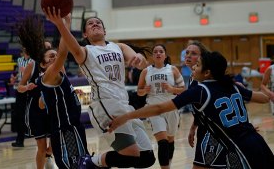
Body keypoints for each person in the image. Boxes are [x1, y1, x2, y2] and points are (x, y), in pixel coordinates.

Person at [109, 51, 274, 169]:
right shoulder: (233, 86)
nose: (193, 67)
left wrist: (127, 116)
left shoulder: (201, 90)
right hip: (257, 142)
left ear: (207, 72)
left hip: (239, 148)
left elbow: (159, 108)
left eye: (198, 65)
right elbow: (264, 98)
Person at [51, 13, 156, 168]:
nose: (95, 24)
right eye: (90, 23)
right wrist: (63, 24)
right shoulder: (85, 51)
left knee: (147, 158)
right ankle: (87, 162)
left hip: (125, 105)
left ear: (105, 31)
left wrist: (139, 58)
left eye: (98, 22)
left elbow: (139, 62)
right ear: (85, 34)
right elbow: (68, 44)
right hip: (105, 104)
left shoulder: (118, 46)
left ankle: (95, 163)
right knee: (131, 155)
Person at [18, 12, 89, 168]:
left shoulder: (58, 70)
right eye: (50, 55)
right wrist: (65, 24)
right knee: (63, 158)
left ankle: (52, 154)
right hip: (58, 122)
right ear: (42, 63)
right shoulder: (47, 71)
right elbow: (64, 50)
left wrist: (72, 92)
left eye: (54, 54)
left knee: (79, 160)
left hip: (70, 123)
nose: (54, 57)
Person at [137, 44, 185, 169]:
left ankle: (168, 164)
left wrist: (171, 88)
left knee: (170, 139)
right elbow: (139, 91)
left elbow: (183, 90)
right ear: (153, 56)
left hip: (171, 107)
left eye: (161, 51)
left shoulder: (173, 69)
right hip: (153, 108)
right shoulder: (146, 71)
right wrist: (144, 91)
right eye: (155, 52)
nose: (158, 53)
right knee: (162, 142)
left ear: (165, 55)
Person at [16, 25, 53, 169]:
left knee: (55, 143)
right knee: (41, 147)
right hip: (36, 110)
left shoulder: (56, 65)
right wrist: (26, 87)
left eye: (50, 48)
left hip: (52, 107)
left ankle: (49, 154)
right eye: (45, 49)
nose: (49, 51)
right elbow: (20, 87)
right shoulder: (32, 65)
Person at [11, 48, 32, 147]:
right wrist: (14, 78)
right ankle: (20, 139)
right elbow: (16, 73)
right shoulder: (19, 60)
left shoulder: (33, 61)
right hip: (21, 89)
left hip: (30, 89)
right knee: (19, 115)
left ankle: (32, 133)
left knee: (30, 113)